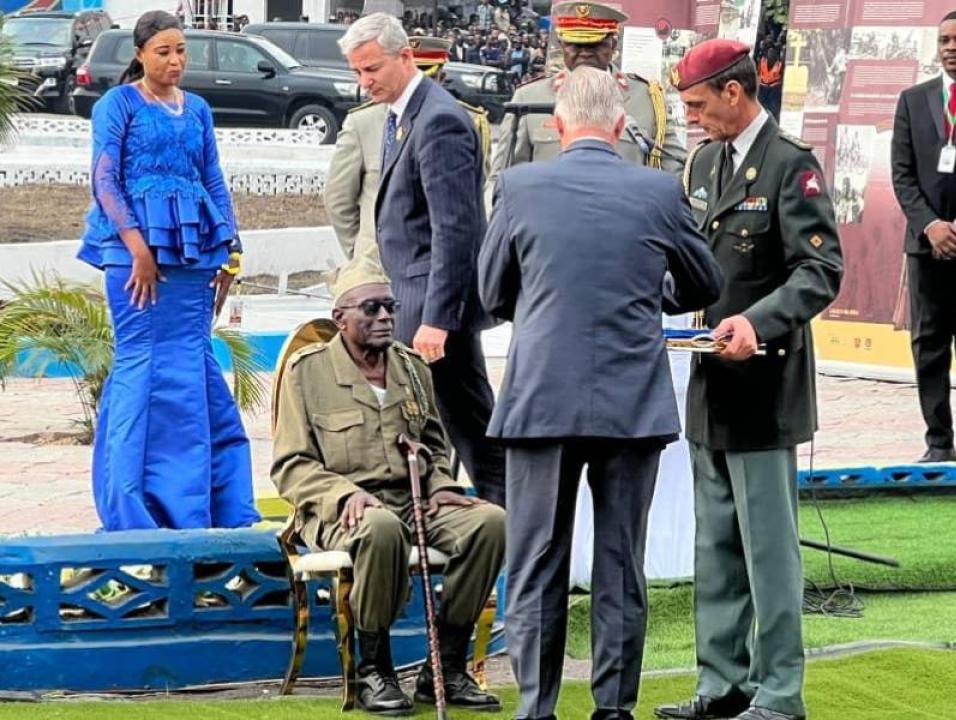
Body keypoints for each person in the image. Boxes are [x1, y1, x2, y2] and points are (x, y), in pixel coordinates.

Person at [478, 66, 724, 720]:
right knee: (620, 564)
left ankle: (537, 707)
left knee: (537, 561)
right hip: (631, 402)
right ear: (620, 126)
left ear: (558, 125)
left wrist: (542, 303)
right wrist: (653, 294)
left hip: (541, 398)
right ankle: (613, 709)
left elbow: (491, 292)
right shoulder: (659, 190)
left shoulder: (519, 186)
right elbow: (704, 283)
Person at [656, 40, 843, 720]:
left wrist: (756, 323)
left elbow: (820, 271)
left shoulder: (791, 164)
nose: (690, 118)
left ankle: (780, 691)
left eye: (697, 105)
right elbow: (693, 265)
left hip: (765, 385)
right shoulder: (704, 162)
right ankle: (722, 684)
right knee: (715, 547)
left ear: (734, 92)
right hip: (710, 383)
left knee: (768, 553)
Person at [271, 255, 505, 716]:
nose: (385, 317)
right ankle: (374, 669)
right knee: (381, 529)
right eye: (371, 309)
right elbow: (291, 466)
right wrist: (344, 494)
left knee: (490, 523)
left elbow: (432, 446)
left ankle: (446, 667)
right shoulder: (308, 372)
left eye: (390, 307)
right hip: (342, 511)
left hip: (413, 500)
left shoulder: (412, 367)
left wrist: (440, 485)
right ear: (341, 317)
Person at [77, 11, 259, 531]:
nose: (175, 60)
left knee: (194, 367)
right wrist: (137, 248)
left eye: (181, 50)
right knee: (142, 366)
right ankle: (133, 509)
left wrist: (231, 249)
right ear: (140, 54)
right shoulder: (118, 104)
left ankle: (204, 508)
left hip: (194, 254)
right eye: (163, 51)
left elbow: (212, 177)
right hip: (132, 254)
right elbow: (104, 179)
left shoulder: (197, 108)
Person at [338, 14, 506, 506]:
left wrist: (438, 320)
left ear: (405, 57)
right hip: (415, 302)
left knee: (469, 431)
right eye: (357, 72)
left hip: (433, 313)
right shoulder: (404, 115)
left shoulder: (439, 121)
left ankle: (510, 531)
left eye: (372, 69)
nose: (364, 82)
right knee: (445, 430)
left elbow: (455, 229)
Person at [325, 35, 492, 262]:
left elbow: (473, 198)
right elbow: (338, 198)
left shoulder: (467, 120)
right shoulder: (362, 122)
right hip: (376, 264)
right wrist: (360, 252)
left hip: (440, 261)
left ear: (442, 78)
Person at [488, 0, 686, 192]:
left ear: (613, 44)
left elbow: (676, 172)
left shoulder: (645, 98)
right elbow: (502, 178)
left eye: (595, 45)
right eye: (575, 45)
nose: (585, 53)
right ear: (562, 45)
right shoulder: (529, 98)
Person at [891, 11, 956, 463]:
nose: (951, 48)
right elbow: (902, 174)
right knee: (929, 346)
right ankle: (938, 443)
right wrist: (931, 225)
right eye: (944, 41)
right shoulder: (913, 101)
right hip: (926, 246)